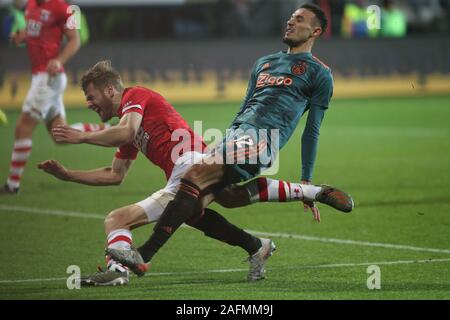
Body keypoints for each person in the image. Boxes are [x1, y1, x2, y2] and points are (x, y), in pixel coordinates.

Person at [39, 60, 347, 286]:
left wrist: (81, 136)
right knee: (222, 202)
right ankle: (261, 242)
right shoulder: (126, 125)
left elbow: (125, 132)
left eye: (91, 97)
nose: (89, 104)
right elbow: (114, 175)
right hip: (190, 166)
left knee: (117, 219)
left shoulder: (136, 96)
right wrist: (68, 175)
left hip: (191, 164)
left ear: (110, 90)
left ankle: (120, 272)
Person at [105, 3, 354, 277]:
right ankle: (260, 245)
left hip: (262, 139)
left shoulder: (319, 73)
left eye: (300, 20)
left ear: (315, 30)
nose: (290, 23)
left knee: (194, 174)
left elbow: (312, 130)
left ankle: (143, 254)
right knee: (197, 207)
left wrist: (306, 175)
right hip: (235, 137)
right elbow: (245, 107)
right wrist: (227, 141)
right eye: (291, 18)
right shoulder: (264, 62)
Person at [1, 0, 106, 195]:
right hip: (41, 77)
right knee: (60, 135)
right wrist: (20, 37)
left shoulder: (61, 7)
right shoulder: (31, 5)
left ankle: (12, 185)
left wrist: (59, 60)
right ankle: (110, 130)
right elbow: (35, 34)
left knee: (23, 126)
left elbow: (75, 39)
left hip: (48, 78)